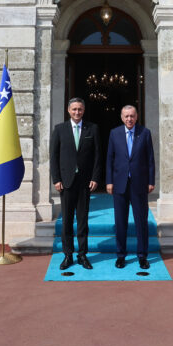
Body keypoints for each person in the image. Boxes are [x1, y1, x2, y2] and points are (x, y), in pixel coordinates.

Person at [49, 98, 102, 270]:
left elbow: (98, 157)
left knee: (82, 220)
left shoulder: (92, 128)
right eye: (74, 109)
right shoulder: (59, 130)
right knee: (67, 221)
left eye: (80, 109)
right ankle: (68, 255)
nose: (77, 112)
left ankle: (82, 255)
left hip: (85, 183)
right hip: (66, 183)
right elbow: (54, 157)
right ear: (68, 110)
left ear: (84, 110)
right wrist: (56, 179)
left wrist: (95, 177)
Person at [106, 105, 156, 270]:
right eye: (126, 116)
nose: (129, 119)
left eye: (132, 116)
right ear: (121, 117)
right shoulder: (114, 133)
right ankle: (121, 255)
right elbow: (110, 159)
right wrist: (109, 181)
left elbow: (150, 160)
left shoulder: (145, 133)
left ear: (137, 117)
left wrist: (151, 181)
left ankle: (142, 256)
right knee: (120, 222)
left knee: (141, 222)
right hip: (119, 184)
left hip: (139, 184)